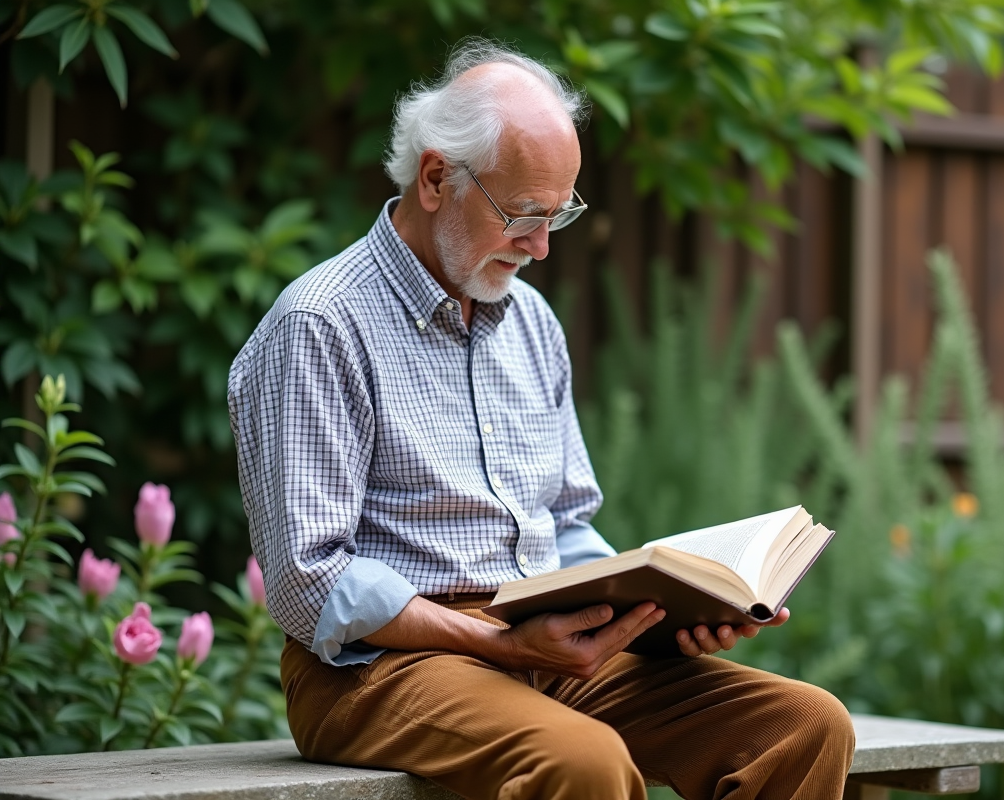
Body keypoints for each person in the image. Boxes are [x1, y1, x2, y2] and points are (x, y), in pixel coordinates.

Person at [228, 39, 854, 800]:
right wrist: (496, 639)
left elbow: (567, 524)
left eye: (560, 215)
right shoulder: (320, 325)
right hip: (379, 670)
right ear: (436, 179)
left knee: (803, 727)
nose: (543, 247)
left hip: (543, 646)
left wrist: (661, 610)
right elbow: (307, 582)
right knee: (583, 763)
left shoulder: (529, 322)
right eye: (524, 215)